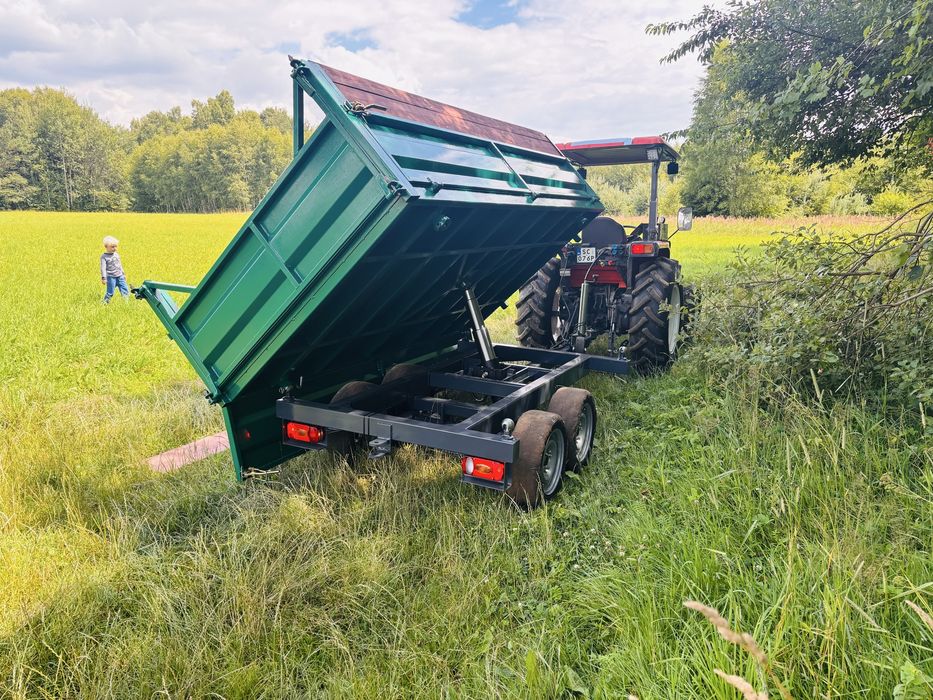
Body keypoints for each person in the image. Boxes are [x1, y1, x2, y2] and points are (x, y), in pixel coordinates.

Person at [100, 236, 129, 303]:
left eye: (116, 246)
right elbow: (103, 268)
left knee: (125, 290)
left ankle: (126, 304)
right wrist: (103, 278)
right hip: (111, 277)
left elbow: (119, 265)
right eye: (112, 247)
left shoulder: (116, 255)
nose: (115, 248)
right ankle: (104, 303)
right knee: (110, 292)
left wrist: (123, 274)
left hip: (120, 276)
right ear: (106, 246)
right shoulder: (104, 257)